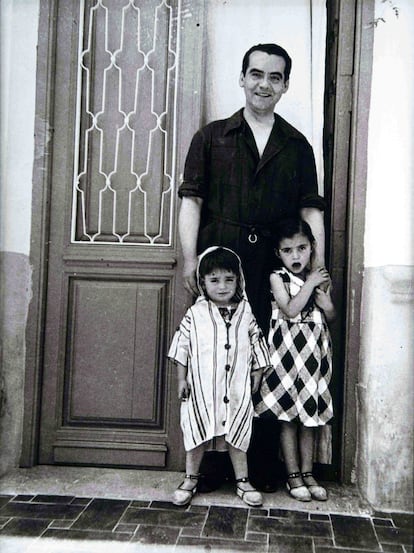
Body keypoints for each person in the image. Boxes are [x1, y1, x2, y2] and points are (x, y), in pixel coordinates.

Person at [177, 42, 327, 490]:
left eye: (275, 77)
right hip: (221, 263)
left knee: (264, 359)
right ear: (242, 78)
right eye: (256, 74)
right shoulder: (211, 137)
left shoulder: (297, 146)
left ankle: (259, 469)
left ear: (285, 86)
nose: (264, 84)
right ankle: (207, 469)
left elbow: (312, 212)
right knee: (214, 359)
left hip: (274, 269)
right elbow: (192, 201)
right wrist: (190, 259)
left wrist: (317, 274)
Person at [168, 247, 271, 507]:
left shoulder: (245, 312)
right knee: (196, 432)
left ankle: (243, 482)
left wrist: (257, 372)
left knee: (237, 432)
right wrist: (182, 380)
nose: (222, 286)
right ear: (202, 283)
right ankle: (190, 479)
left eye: (229, 279)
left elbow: (257, 341)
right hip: (202, 388)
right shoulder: (196, 313)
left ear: (239, 280)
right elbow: (182, 346)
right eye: (214, 280)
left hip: (236, 386)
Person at [254, 218, 336, 502]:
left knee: (310, 418)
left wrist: (327, 305)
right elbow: (290, 309)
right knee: (288, 417)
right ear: (278, 253)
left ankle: (308, 472)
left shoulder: (321, 278)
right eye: (288, 250)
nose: (296, 256)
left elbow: (330, 317)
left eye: (302, 248)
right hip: (287, 356)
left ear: (312, 248)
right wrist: (311, 284)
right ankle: (292, 475)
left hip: (313, 355)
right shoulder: (278, 277)